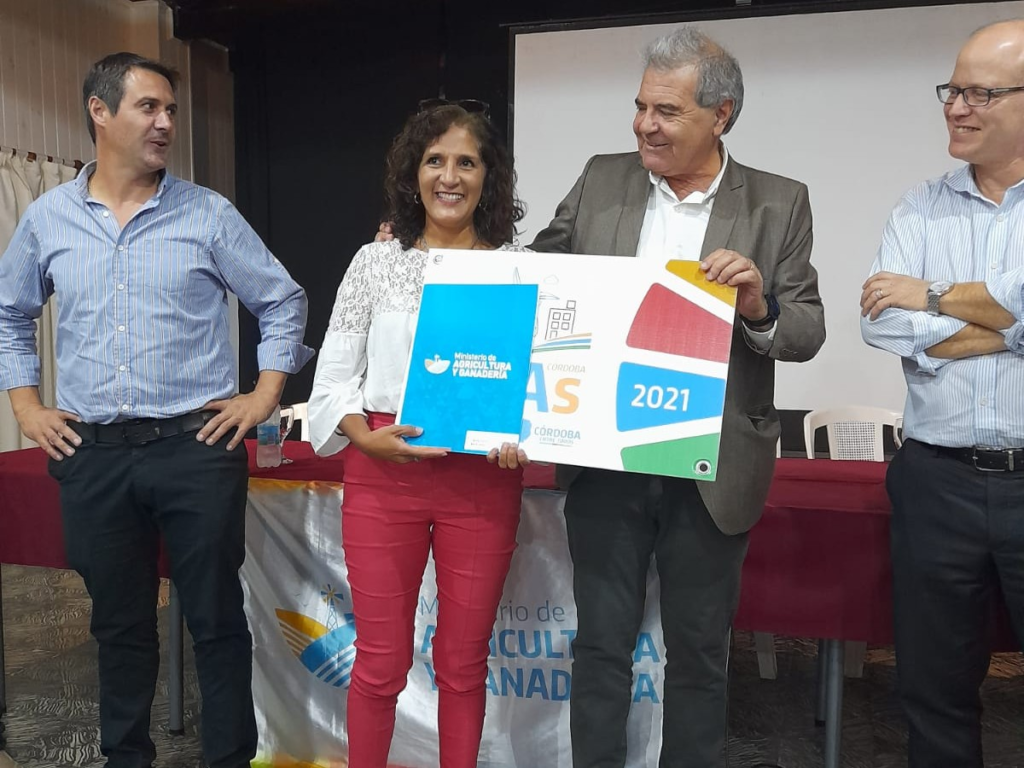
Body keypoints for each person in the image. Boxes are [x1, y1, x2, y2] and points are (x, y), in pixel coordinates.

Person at [0, 53, 313, 768]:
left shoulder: (208, 214)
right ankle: (126, 757)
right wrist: (25, 405)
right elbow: (9, 312)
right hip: (92, 454)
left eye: (171, 109)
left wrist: (265, 394)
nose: (166, 122)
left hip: (195, 448)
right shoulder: (49, 219)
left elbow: (281, 299)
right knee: (118, 627)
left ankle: (227, 758)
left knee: (215, 622)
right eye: (149, 107)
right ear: (100, 112)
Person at [529, 27, 825, 767]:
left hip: (712, 460)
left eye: (666, 111)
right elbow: (539, 271)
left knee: (698, 656)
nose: (644, 126)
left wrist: (757, 305)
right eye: (640, 107)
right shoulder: (602, 179)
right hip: (608, 454)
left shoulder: (779, 202)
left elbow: (806, 330)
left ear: (720, 116)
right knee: (600, 646)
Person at [308, 101, 529, 768]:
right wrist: (362, 437)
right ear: (413, 174)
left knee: (463, 662)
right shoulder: (374, 263)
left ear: (489, 176)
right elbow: (334, 377)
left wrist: (524, 433)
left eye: (467, 162)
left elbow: (539, 386)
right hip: (382, 472)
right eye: (435, 160)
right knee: (379, 663)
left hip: (482, 479)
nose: (449, 177)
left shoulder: (519, 270)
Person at [860, 20, 1024, 767]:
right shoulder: (919, 207)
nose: (957, 107)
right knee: (933, 691)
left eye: (980, 93)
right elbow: (882, 325)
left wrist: (930, 293)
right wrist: (1009, 325)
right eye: (952, 90)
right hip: (936, 481)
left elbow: (911, 308)